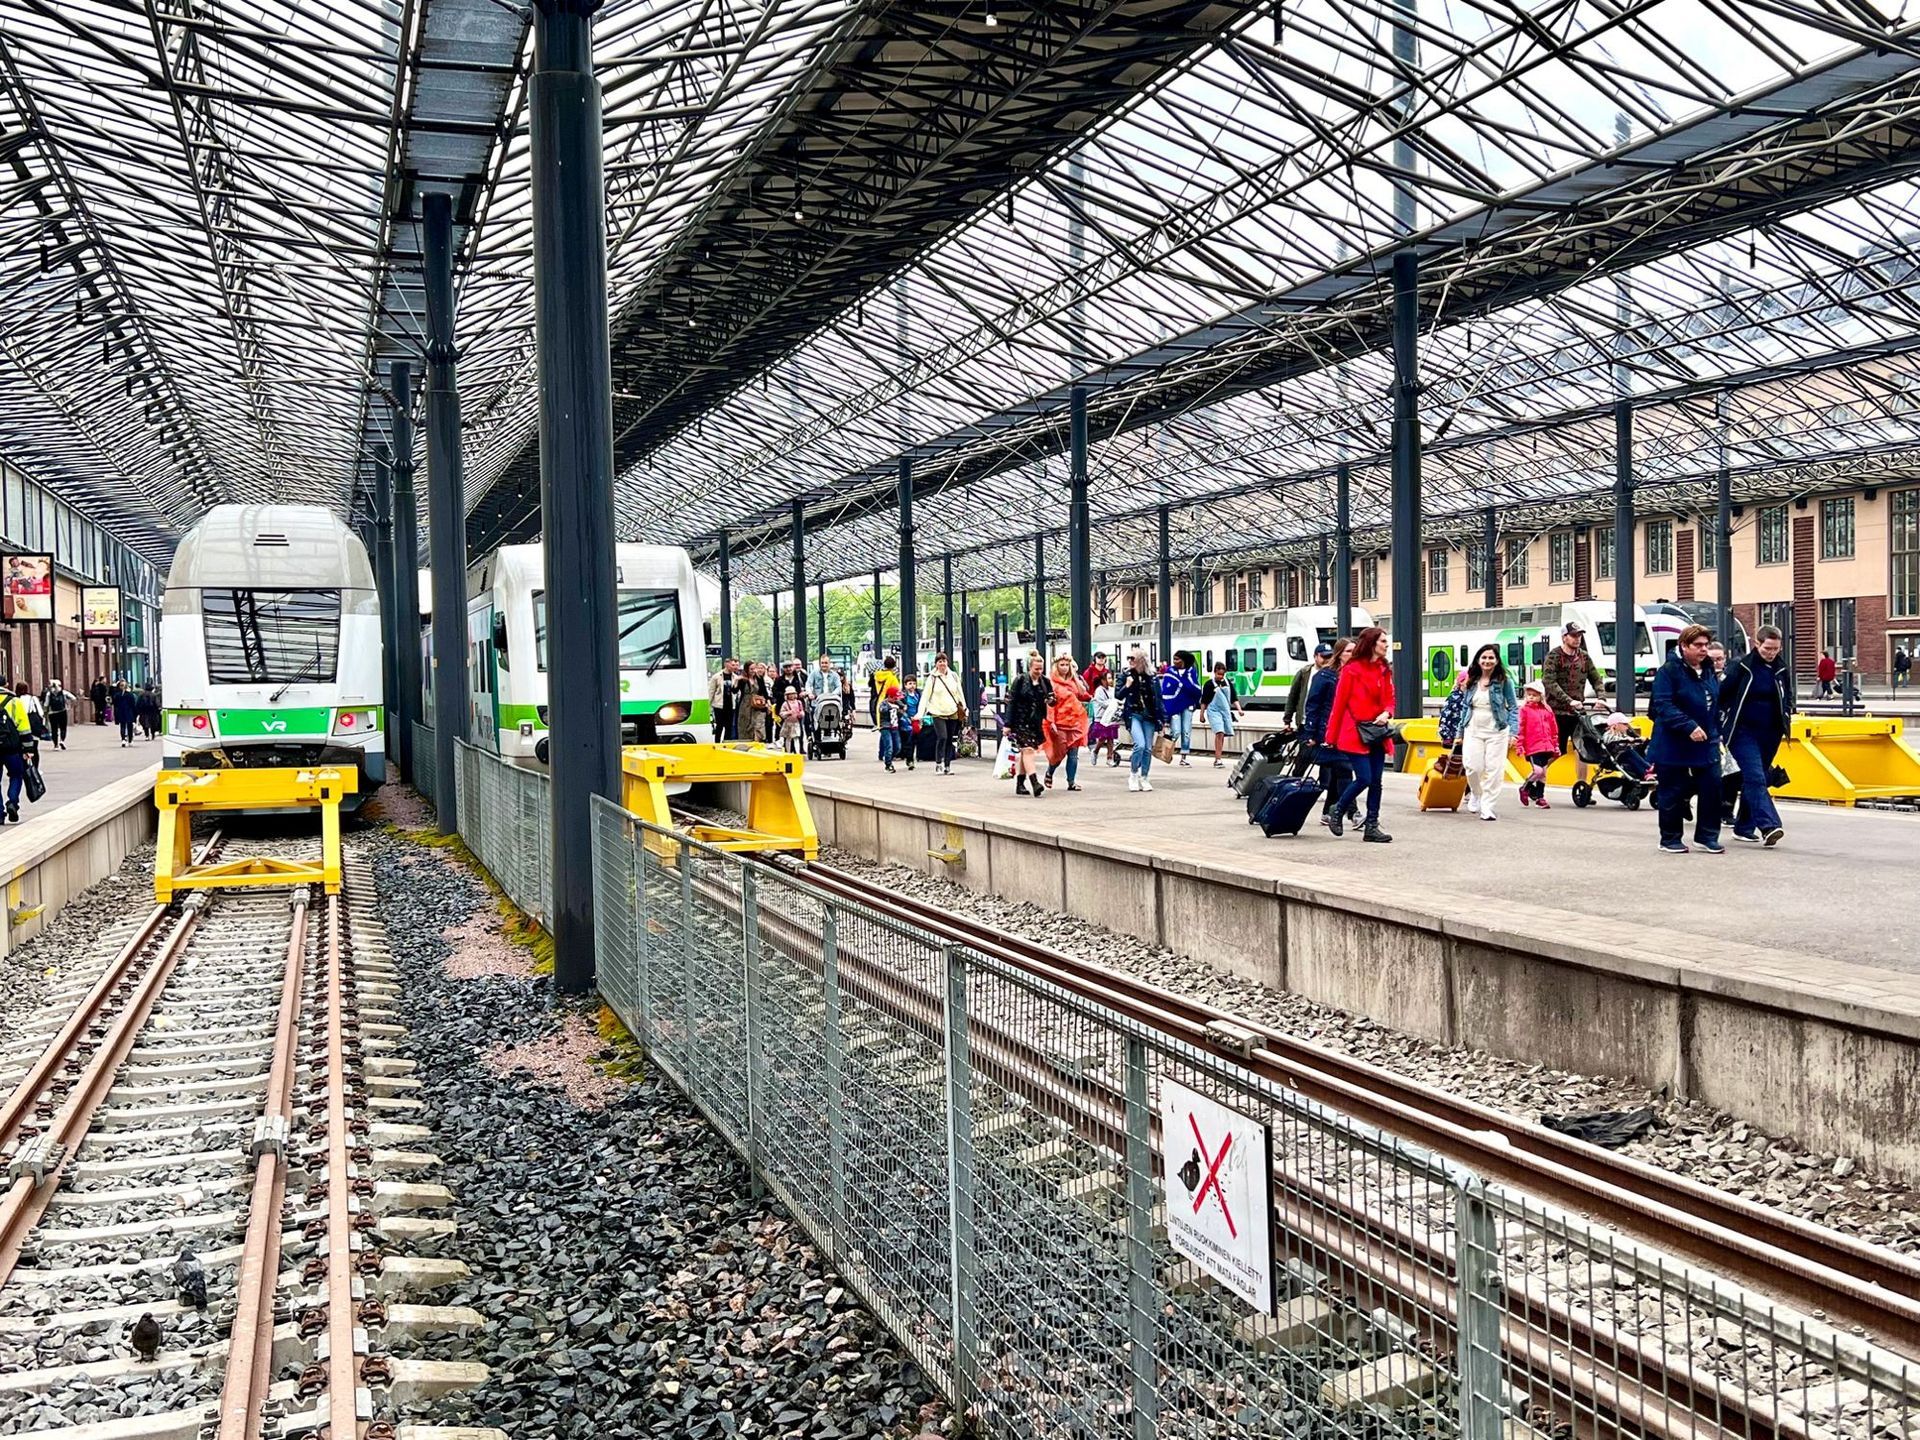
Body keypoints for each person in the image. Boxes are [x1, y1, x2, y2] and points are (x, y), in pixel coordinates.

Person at [1649, 623, 1724, 855]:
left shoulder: (1709, 670)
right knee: (1672, 791)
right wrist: (1688, 725)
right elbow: (1662, 705)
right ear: (1684, 646)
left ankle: (1707, 836)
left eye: (1706, 645)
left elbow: (1715, 702)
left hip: (1706, 741)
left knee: (1712, 786)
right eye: (1698, 645)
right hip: (1673, 742)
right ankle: (1670, 838)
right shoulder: (1668, 671)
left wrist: (1718, 729)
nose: (1703, 649)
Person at [1719, 623, 1792, 847]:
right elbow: (1722, 694)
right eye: (1767, 648)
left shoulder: (1781, 669)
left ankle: (1744, 827)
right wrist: (1720, 725)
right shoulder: (1742, 666)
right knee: (1755, 777)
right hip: (1743, 731)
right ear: (1757, 644)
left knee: (1755, 778)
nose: (1771, 653)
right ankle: (1769, 825)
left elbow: (1787, 696)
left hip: (1770, 733)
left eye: (1776, 649)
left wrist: (1787, 715)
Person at [1325, 627, 1394, 841]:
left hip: (1377, 731)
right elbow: (1339, 704)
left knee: (1376, 781)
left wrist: (1387, 712)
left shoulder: (1384, 668)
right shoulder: (1351, 670)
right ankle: (1338, 809)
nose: (1387, 645)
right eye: (1383, 641)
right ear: (1372, 643)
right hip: (1354, 732)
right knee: (1364, 778)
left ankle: (1371, 826)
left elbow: (1390, 698)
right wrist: (1330, 737)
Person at [1440, 644, 1517, 821]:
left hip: (1497, 730)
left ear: (1497, 661)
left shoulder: (1505, 682)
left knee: (1494, 770)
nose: (1487, 661)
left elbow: (1513, 707)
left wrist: (1513, 732)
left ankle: (1487, 807)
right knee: (1472, 767)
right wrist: (1459, 733)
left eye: (1491, 658)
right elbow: (1465, 708)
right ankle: (1476, 792)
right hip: (1473, 729)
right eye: (1484, 657)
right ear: (1478, 660)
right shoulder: (1472, 681)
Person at [1542, 620, 1604, 791]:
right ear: (1564, 637)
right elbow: (1549, 682)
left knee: (1583, 749)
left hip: (1578, 712)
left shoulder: (1584, 657)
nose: (1577, 639)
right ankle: (1536, 778)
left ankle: (1582, 787)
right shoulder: (1554, 656)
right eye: (1574, 635)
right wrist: (1568, 700)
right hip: (1558, 712)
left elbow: (1596, 678)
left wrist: (1601, 697)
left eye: (1579, 636)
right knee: (1557, 750)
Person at [1304, 640, 1350, 821]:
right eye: (1348, 651)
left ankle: (1328, 812)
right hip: (1325, 730)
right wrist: (1310, 731)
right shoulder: (1323, 676)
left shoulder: (1350, 674)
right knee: (1343, 768)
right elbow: (1312, 704)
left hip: (1344, 731)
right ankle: (1351, 812)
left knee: (1339, 772)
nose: (1353, 655)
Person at [1118, 648, 1166, 793]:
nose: (1130, 661)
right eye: (1129, 658)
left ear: (1141, 660)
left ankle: (1144, 777)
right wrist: (1127, 686)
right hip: (1134, 714)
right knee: (1139, 745)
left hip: (1149, 716)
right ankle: (1133, 774)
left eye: (1133, 658)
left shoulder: (1152, 677)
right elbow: (1118, 695)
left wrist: (1163, 721)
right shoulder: (1126, 675)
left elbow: (1158, 700)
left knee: (1148, 748)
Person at [1042, 653, 1091, 791]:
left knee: (1073, 754)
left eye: (1066, 665)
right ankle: (1050, 771)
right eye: (1062, 665)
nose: (1064, 667)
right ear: (1056, 667)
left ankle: (1071, 782)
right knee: (1060, 752)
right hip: (1060, 723)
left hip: (1075, 722)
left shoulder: (1073, 682)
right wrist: (1051, 721)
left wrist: (1075, 677)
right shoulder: (1052, 684)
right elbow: (1050, 704)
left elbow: (1084, 694)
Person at [1006, 653, 1050, 799]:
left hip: (1035, 722)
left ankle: (1020, 784)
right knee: (1028, 750)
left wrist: (1051, 701)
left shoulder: (1045, 681)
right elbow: (1012, 702)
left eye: (1041, 669)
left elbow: (1051, 698)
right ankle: (1035, 783)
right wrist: (1008, 724)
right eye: (1036, 669)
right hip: (1020, 721)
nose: (1039, 672)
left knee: (1025, 753)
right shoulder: (1020, 680)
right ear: (1029, 667)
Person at [918, 653, 967, 775]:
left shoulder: (954, 676)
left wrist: (965, 708)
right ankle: (939, 763)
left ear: (947, 662)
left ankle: (947, 766)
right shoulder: (932, 678)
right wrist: (920, 713)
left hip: (952, 711)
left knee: (950, 739)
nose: (942, 664)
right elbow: (925, 696)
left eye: (944, 661)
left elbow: (959, 693)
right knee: (942, 737)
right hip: (937, 712)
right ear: (936, 664)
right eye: (939, 661)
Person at [1515, 679, 1559, 809]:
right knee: (1538, 771)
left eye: (1534, 695)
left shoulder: (1547, 710)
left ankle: (1540, 798)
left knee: (1543, 773)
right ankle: (1525, 788)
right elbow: (1521, 729)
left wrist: (1555, 745)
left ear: (1541, 696)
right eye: (1529, 695)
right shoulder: (1524, 710)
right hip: (1532, 746)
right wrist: (1520, 745)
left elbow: (1553, 729)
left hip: (1546, 746)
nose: (1531, 697)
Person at [1160, 651, 1203, 766]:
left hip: (1187, 705)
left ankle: (1184, 757)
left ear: (1184, 660)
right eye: (1174, 659)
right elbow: (1166, 689)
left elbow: (1195, 687)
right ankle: (1166, 751)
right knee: (1176, 731)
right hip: (1173, 705)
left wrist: (1185, 684)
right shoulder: (1170, 672)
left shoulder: (1191, 672)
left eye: (1177, 659)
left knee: (1186, 731)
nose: (1175, 661)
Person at [0, 678, 33, 824]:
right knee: (16, 775)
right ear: (6, 685)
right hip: (12, 748)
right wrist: (28, 748)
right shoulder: (15, 702)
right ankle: (12, 802)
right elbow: (24, 727)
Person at [1201, 662, 1242, 768]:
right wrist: (1202, 714)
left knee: (1222, 734)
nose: (1220, 676)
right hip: (1213, 711)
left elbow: (1234, 698)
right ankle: (1218, 759)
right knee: (1219, 732)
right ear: (1214, 672)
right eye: (1218, 674)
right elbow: (1204, 701)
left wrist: (1239, 709)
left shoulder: (1228, 683)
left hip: (1225, 712)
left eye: (1222, 674)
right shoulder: (1209, 684)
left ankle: (1218, 757)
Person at [1086, 672, 1120, 770]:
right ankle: (1095, 751)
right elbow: (1103, 704)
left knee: (1111, 738)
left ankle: (1109, 758)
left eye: (1111, 678)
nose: (1110, 680)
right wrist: (1113, 703)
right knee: (1103, 737)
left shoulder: (1112, 690)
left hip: (1111, 717)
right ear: (1103, 680)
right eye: (1108, 678)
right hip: (1101, 718)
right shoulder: (1099, 691)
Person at [734, 661, 773, 745]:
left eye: (754, 668)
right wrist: (736, 681)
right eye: (751, 669)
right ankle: (745, 743)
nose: (753, 671)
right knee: (745, 725)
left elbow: (764, 691)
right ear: (746, 670)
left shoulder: (759, 678)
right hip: (745, 704)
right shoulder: (743, 679)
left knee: (758, 725)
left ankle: (758, 742)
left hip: (757, 704)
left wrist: (768, 702)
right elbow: (734, 691)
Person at [708, 658, 738, 742]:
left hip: (730, 705)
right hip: (719, 705)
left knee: (729, 726)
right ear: (726, 664)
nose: (733, 667)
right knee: (719, 725)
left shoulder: (735, 677)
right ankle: (717, 742)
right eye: (732, 665)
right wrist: (709, 704)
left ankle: (726, 742)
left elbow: (736, 691)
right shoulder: (716, 677)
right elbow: (711, 691)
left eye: (735, 665)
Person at [876, 684, 904, 773]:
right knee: (889, 746)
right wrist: (891, 707)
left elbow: (902, 710)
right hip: (886, 727)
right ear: (889, 697)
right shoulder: (884, 704)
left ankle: (889, 758)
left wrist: (900, 709)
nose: (896, 700)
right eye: (895, 698)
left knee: (898, 747)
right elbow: (882, 710)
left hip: (895, 727)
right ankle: (888, 764)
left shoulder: (897, 703)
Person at [40, 679, 69, 751]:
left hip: (52, 713)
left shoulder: (49, 694)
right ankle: (62, 740)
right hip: (62, 711)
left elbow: (46, 704)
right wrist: (67, 705)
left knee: (54, 729)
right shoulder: (63, 692)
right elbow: (73, 698)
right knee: (63, 727)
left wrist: (45, 711)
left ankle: (56, 745)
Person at [899, 676, 921, 770]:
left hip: (917, 720)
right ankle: (909, 759)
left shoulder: (918, 694)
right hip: (906, 721)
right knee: (908, 740)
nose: (912, 686)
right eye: (910, 684)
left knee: (914, 740)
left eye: (914, 683)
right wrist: (907, 716)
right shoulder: (903, 696)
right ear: (905, 685)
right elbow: (900, 709)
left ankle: (912, 757)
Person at [112, 681, 138, 747]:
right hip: (129, 712)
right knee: (129, 727)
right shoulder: (130, 695)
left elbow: (115, 704)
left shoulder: (117, 695)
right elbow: (133, 705)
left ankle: (123, 739)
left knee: (122, 726)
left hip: (121, 712)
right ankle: (130, 740)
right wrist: (135, 714)